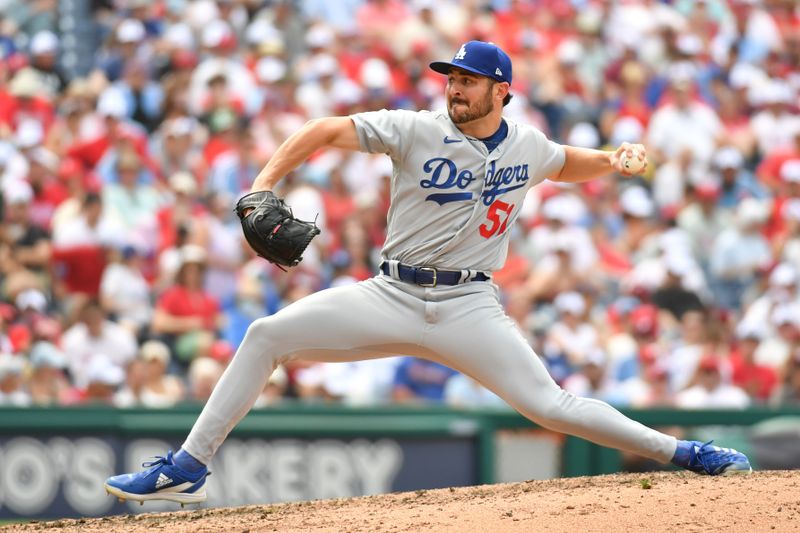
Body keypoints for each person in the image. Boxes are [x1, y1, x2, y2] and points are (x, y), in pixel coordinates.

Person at [105, 41, 751, 506]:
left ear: (502, 90)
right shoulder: (415, 128)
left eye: (469, 80)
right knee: (266, 334)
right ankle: (187, 465)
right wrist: (265, 182)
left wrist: (613, 159)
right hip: (391, 292)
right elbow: (326, 128)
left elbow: (563, 162)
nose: (455, 87)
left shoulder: (525, 144)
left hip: (471, 305)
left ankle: (685, 453)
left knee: (552, 405)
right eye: (452, 77)